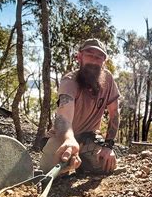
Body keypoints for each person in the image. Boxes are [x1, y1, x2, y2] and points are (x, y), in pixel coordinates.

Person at [40, 38, 120, 175]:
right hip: (63, 137)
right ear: (79, 57)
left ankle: (82, 164)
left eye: (99, 57)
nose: (94, 60)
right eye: (90, 55)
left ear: (104, 62)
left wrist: (108, 146)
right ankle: (73, 163)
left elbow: (114, 113)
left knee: (107, 166)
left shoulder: (108, 80)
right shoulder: (69, 81)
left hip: (89, 138)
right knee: (51, 173)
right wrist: (69, 139)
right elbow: (63, 118)